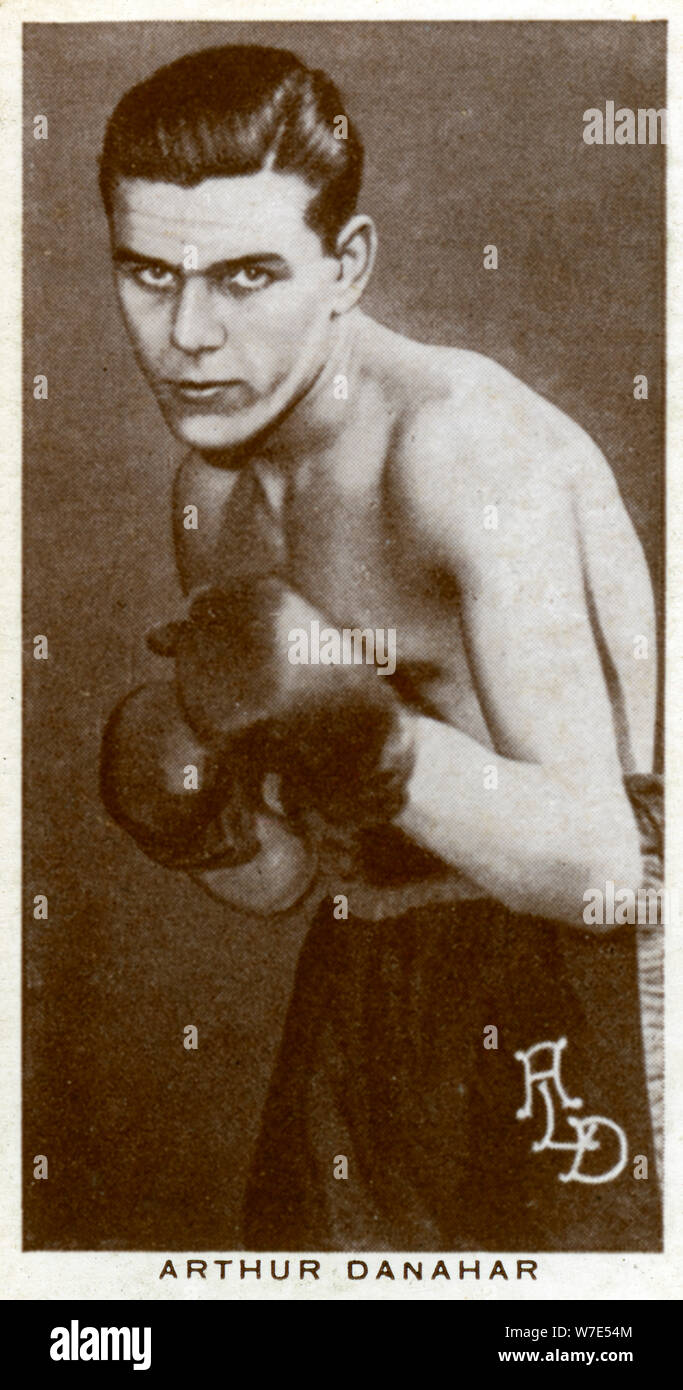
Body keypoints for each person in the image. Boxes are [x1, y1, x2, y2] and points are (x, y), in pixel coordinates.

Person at [98, 43, 663, 1250]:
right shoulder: (214, 493)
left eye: (247, 277)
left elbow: (608, 874)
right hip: (366, 1002)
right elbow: (304, 876)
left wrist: (369, 733)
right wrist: (189, 819)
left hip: (584, 1000)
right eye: (149, 275)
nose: (188, 333)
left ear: (345, 266)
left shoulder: (461, 452)